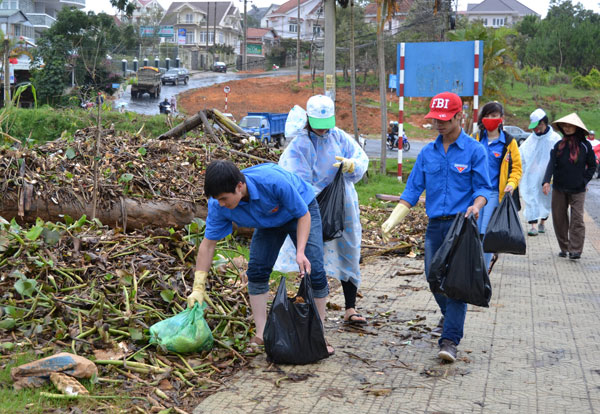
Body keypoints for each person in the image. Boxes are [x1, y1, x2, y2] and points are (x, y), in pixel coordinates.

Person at [381, 92, 492, 363]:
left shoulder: (474, 151)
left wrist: (476, 207)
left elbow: (483, 189)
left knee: (455, 284)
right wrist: (394, 218)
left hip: (461, 227)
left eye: (445, 119)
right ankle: (451, 314)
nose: (439, 124)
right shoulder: (427, 153)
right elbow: (412, 190)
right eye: (435, 120)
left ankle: (450, 340)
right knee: (433, 277)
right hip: (435, 227)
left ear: (459, 117)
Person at [187, 160, 334, 354]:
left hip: (301, 211)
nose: (220, 203)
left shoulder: (272, 182)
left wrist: (300, 252)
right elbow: (207, 245)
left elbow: (303, 215)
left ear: (240, 186)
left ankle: (317, 336)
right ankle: (262, 333)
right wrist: (198, 286)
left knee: (312, 268)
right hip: (268, 222)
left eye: (224, 198)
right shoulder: (217, 205)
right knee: (256, 271)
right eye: (217, 199)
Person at [274, 94, 370, 325]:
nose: (323, 131)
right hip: (311, 206)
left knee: (349, 248)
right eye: (319, 126)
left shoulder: (339, 137)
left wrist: (352, 165)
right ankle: (305, 301)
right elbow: (294, 177)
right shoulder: (300, 144)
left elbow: (360, 158)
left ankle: (350, 307)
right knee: (310, 254)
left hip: (342, 204)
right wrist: (315, 194)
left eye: (326, 126)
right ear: (308, 119)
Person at [472, 101, 522, 271]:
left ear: (501, 118)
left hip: (494, 193)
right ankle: (477, 264)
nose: (491, 119)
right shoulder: (476, 138)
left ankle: (483, 271)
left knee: (485, 233)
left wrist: (511, 184)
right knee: (474, 231)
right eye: (487, 115)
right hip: (475, 191)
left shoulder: (508, 142)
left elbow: (516, 168)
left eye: (494, 116)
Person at [542, 113, 597, 259]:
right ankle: (564, 247)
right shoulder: (559, 145)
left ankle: (575, 250)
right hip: (559, 187)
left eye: (570, 125)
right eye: (564, 125)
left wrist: (584, 180)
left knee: (577, 219)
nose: (567, 128)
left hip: (578, 189)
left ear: (577, 128)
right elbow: (551, 164)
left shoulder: (585, 146)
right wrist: (546, 181)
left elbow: (592, 165)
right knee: (559, 218)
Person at [519, 108, 561, 236]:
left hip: (548, 176)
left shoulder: (554, 138)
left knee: (546, 200)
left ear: (543, 123)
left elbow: (559, 158)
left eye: (537, 126)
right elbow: (522, 153)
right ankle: (533, 226)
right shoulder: (531, 139)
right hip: (532, 175)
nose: (535, 130)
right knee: (531, 197)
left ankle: (542, 222)